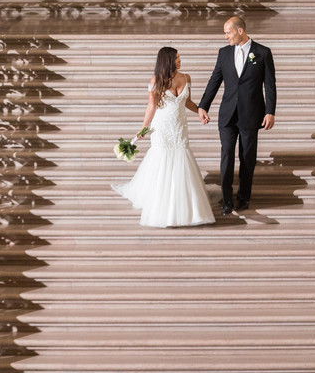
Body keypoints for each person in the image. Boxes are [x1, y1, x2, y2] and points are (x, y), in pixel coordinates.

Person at [113, 47, 217, 227]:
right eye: (177, 58)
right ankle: (162, 203)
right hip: (162, 128)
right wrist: (144, 128)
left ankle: (184, 203)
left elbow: (187, 102)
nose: (180, 60)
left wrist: (201, 111)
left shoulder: (186, 77)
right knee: (162, 159)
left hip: (179, 127)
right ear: (168, 60)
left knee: (182, 157)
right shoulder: (156, 81)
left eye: (179, 57)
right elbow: (151, 106)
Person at [198, 16, 276, 216]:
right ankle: (226, 201)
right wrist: (203, 106)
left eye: (228, 32)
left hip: (252, 114)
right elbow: (214, 80)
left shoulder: (263, 52)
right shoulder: (223, 53)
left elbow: (270, 85)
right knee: (226, 155)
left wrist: (270, 111)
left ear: (240, 30)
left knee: (247, 158)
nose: (226, 37)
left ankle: (244, 198)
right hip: (228, 115)